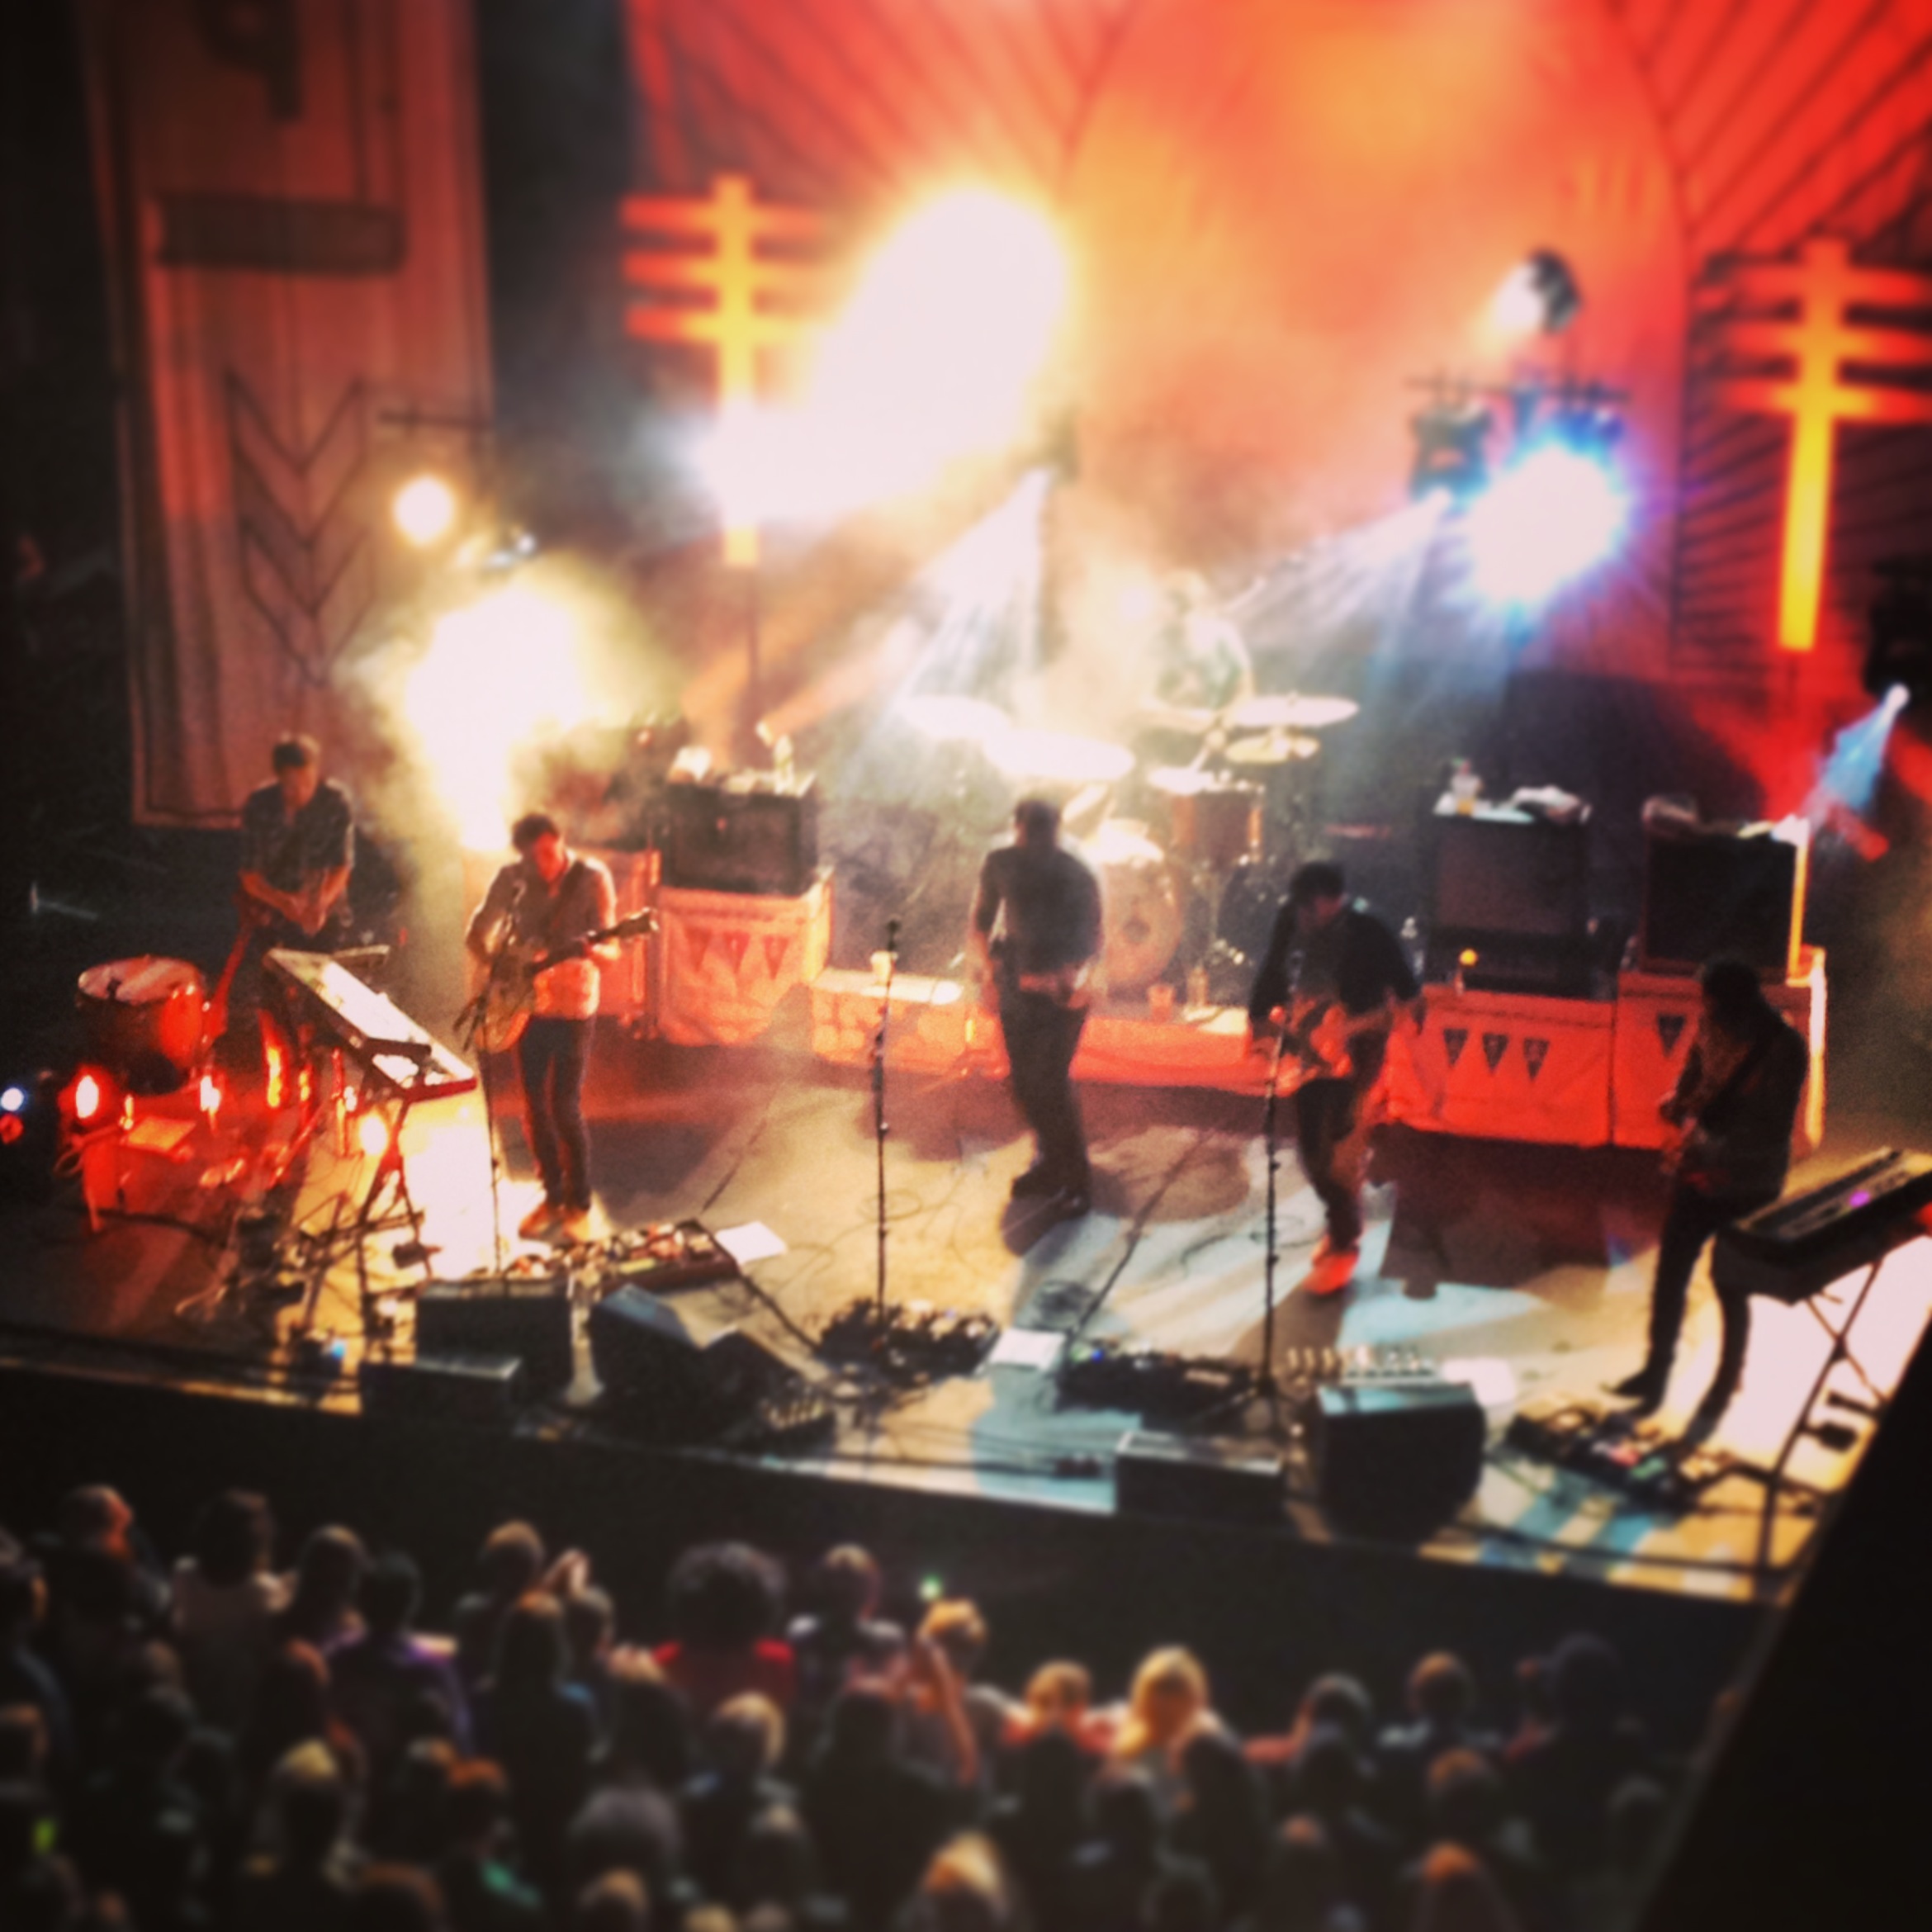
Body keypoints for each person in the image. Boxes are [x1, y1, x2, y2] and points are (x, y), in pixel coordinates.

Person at [1608, 956, 1808, 1439]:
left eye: (1714, 1004)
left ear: (1738, 1003)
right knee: (1671, 1273)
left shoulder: (1784, 1047)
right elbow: (1694, 1074)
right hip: (1701, 1168)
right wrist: (1677, 1106)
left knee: (1730, 1282)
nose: (1707, 1013)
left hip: (1749, 1181)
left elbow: (1772, 1126)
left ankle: (1725, 1382)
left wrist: (1722, 1167)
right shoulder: (1711, 1024)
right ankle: (1656, 1371)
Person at [1246, 862, 1421, 1293]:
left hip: (1358, 1051)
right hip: (1308, 1051)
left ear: (1335, 901)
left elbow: (1408, 994)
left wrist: (1365, 1023)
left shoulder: (1370, 930)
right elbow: (1271, 971)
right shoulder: (1291, 918)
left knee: (1341, 1150)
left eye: (1312, 909)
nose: (1304, 917)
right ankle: (1343, 1214)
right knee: (1311, 1149)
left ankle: (1344, 1239)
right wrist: (1258, 1021)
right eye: (1300, 909)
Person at [465, 812, 618, 1244]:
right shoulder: (512, 879)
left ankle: (579, 1204)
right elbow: (477, 932)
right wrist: (501, 965)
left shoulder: (592, 879)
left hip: (573, 1005)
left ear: (560, 840)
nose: (543, 866)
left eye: (549, 853)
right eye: (534, 859)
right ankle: (552, 1196)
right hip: (526, 1007)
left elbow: (612, 951)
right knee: (533, 1105)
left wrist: (592, 952)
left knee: (564, 1105)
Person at [969, 797, 1104, 1215]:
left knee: (1053, 1085)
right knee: (1024, 1084)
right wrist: (988, 973)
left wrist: (1062, 981)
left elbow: (1092, 943)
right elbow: (981, 922)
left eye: (1042, 832)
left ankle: (1076, 1179)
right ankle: (1049, 1162)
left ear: (1056, 832)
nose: (1035, 841)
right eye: (1029, 832)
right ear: (1017, 829)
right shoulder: (1001, 864)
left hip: (1062, 995)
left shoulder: (1075, 874)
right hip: (1015, 986)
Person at [239, 735, 357, 949]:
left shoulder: (335, 801)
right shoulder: (259, 805)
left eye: (308, 783)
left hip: (327, 914)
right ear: (279, 778)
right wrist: (283, 902)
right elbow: (249, 876)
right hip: (272, 915)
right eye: (291, 787)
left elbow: (343, 866)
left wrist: (321, 903)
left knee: (329, 966)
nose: (302, 793)